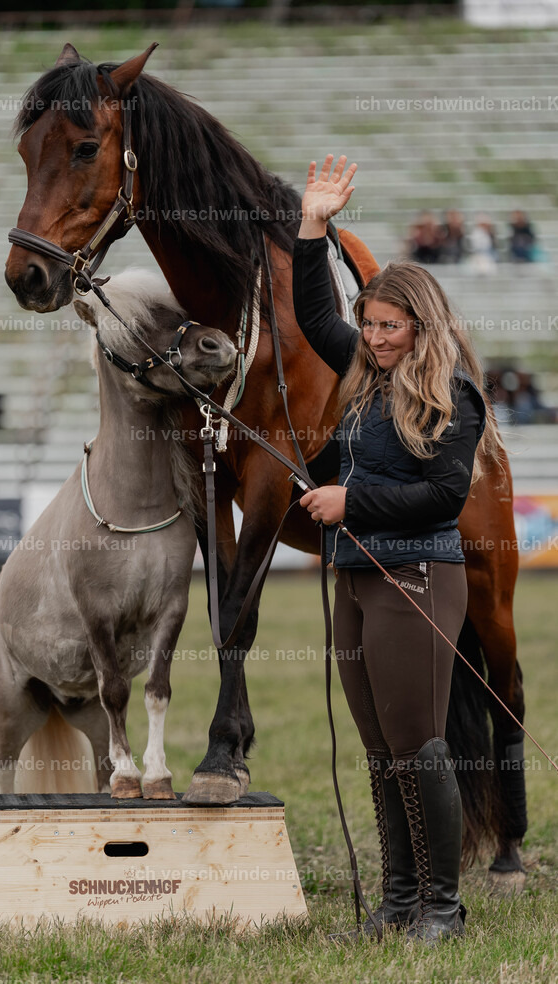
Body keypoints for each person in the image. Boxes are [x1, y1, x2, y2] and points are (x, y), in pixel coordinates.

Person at [292, 154, 502, 947]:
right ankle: (397, 902)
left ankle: (441, 910)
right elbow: (314, 315)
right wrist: (312, 225)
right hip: (354, 576)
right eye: (370, 324)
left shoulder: (453, 393)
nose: (376, 338)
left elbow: (442, 495)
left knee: (417, 745)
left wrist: (350, 502)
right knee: (380, 750)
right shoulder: (364, 372)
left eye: (390, 326)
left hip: (417, 573)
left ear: (421, 324)